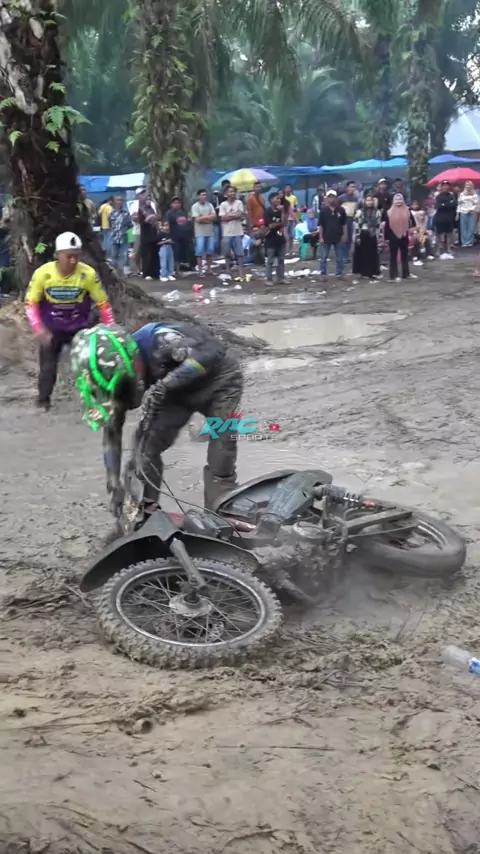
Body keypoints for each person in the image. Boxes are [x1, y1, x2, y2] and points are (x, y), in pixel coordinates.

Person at [70, 320, 243, 515]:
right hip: (173, 395)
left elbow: (211, 353)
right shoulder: (116, 383)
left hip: (220, 382)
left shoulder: (160, 339)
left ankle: (221, 512)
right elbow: (112, 432)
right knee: (145, 450)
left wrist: (165, 384)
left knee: (222, 446)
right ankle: (144, 512)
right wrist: (113, 483)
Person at [25, 232, 115, 410]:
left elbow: (103, 304)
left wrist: (110, 326)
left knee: (91, 362)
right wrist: (38, 328)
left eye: (76, 256)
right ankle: (43, 400)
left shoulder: (88, 274)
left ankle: (97, 399)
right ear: (58, 255)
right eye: (68, 256)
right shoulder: (43, 274)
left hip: (78, 327)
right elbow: (30, 303)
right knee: (48, 366)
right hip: (52, 328)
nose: (73, 261)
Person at [383, 194, 416, 282]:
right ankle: (393, 276)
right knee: (393, 256)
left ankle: (406, 274)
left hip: (404, 235)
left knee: (405, 255)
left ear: (403, 200)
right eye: (396, 199)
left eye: (400, 199)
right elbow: (386, 226)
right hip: (392, 236)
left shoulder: (407, 210)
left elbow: (412, 222)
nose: (398, 201)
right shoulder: (389, 212)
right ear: (394, 201)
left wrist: (412, 231)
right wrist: (386, 238)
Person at [318, 190, 347, 278]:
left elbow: (344, 224)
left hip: (338, 236)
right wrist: (321, 237)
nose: (331, 199)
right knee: (324, 257)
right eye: (329, 197)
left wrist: (345, 234)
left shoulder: (341, 210)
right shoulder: (323, 211)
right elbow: (321, 225)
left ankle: (340, 273)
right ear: (327, 198)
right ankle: (323, 273)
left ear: (336, 198)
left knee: (339, 257)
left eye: (333, 197)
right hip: (326, 236)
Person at [352, 194, 382, 280]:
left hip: (373, 234)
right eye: (368, 200)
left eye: (371, 200)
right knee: (363, 254)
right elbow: (357, 225)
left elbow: (378, 225)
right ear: (364, 202)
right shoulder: (360, 212)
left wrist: (379, 237)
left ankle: (373, 272)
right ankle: (364, 272)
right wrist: (357, 236)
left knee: (372, 254)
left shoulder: (377, 212)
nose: (370, 202)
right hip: (363, 234)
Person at [219, 186, 245, 276]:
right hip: (226, 233)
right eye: (230, 192)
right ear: (226, 194)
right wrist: (234, 215)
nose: (233, 193)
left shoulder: (239, 203)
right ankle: (228, 269)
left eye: (234, 191)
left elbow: (240, 215)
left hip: (238, 232)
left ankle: (241, 271)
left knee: (240, 253)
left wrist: (229, 215)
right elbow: (223, 218)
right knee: (227, 252)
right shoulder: (223, 204)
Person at [191, 189, 216, 275]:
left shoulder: (209, 205)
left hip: (210, 232)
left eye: (205, 195)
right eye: (203, 195)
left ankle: (209, 269)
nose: (205, 196)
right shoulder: (195, 206)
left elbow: (214, 216)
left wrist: (203, 217)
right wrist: (208, 218)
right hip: (199, 232)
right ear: (198, 196)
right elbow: (198, 219)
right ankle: (200, 270)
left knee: (210, 251)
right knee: (199, 251)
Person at [264, 192, 286, 284]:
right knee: (270, 260)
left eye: (279, 199)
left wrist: (283, 212)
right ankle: (269, 279)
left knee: (281, 259)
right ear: (271, 200)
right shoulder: (267, 212)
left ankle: (281, 278)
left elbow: (284, 223)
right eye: (277, 198)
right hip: (270, 239)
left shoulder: (281, 211)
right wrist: (279, 224)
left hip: (280, 239)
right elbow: (270, 226)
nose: (279, 200)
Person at [165, 197, 192, 272]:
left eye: (178, 202)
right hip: (174, 238)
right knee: (175, 254)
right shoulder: (169, 213)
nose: (177, 204)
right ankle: (174, 270)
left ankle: (179, 269)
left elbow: (186, 222)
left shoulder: (183, 212)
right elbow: (166, 225)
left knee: (181, 254)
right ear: (171, 204)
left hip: (184, 237)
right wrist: (168, 236)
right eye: (174, 203)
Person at [137, 190, 159, 280]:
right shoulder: (141, 210)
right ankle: (146, 273)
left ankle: (155, 273)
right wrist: (149, 218)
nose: (148, 201)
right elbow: (142, 222)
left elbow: (157, 219)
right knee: (147, 255)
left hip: (153, 233)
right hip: (146, 235)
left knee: (154, 254)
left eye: (149, 199)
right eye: (147, 199)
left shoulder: (152, 209)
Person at [109, 195, 132, 275]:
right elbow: (110, 224)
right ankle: (115, 272)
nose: (119, 202)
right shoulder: (111, 213)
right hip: (114, 237)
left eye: (121, 200)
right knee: (114, 255)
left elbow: (130, 225)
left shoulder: (126, 213)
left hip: (124, 237)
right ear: (114, 202)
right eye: (117, 200)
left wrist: (129, 237)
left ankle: (127, 271)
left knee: (125, 255)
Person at [434, 180, 457, 258]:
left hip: (449, 217)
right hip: (440, 218)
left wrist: (444, 205)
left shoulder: (451, 196)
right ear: (442, 187)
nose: (445, 187)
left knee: (449, 233)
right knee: (439, 234)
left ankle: (449, 249)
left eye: (447, 185)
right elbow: (437, 206)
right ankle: (438, 250)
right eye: (444, 185)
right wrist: (446, 204)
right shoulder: (438, 196)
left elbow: (454, 204)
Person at [338, 181, 359, 262]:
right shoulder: (341, 198)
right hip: (343, 220)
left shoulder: (355, 198)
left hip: (352, 219)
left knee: (350, 238)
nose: (352, 188)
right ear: (347, 188)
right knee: (344, 238)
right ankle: (343, 256)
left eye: (354, 187)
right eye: (351, 186)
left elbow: (356, 208)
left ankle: (346, 255)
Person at [457, 181, 477, 248]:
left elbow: (476, 203)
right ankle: (464, 242)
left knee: (471, 227)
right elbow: (459, 203)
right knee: (463, 227)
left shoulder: (474, 194)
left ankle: (469, 241)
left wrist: (471, 209)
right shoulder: (462, 194)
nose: (468, 186)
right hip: (463, 211)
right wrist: (458, 212)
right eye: (467, 185)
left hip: (471, 212)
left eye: (469, 185)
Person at [284, 184, 298, 255]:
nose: (288, 189)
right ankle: (286, 250)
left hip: (292, 218)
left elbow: (295, 207)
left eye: (289, 188)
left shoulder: (294, 197)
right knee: (286, 235)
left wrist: (295, 211)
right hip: (285, 218)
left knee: (292, 235)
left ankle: (290, 250)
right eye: (286, 188)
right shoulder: (283, 198)